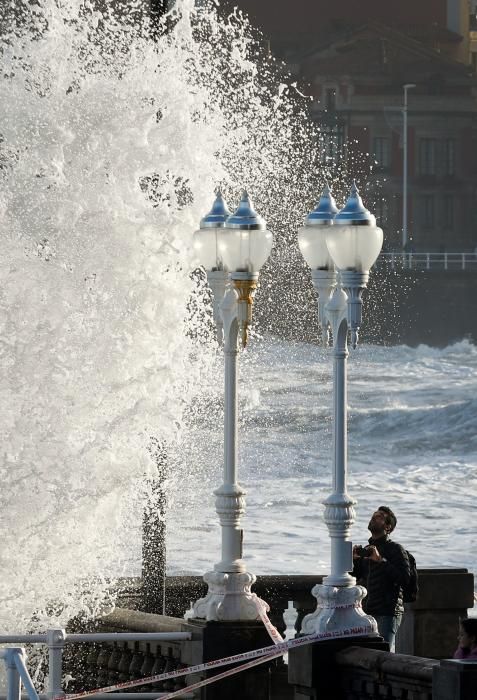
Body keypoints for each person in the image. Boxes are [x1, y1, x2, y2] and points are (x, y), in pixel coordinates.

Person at [352, 505, 410, 652]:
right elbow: (357, 577)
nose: (374, 517)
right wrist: (354, 561)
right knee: (368, 656)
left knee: (382, 655)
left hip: (387, 612)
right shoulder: (368, 549)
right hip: (366, 611)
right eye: (373, 515)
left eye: (380, 517)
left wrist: (381, 561)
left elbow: (405, 579)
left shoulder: (395, 549)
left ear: (388, 527)